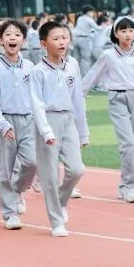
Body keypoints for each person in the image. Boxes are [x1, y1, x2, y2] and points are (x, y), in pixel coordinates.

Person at [80, 17, 134, 203]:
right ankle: (130, 186)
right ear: (115, 33)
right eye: (123, 30)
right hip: (117, 99)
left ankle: (124, 185)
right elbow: (92, 76)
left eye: (131, 30)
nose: (127, 34)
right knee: (128, 143)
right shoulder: (109, 55)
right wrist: (77, 97)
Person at [0, 20, 52, 231]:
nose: (12, 38)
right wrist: (2, 124)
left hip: (27, 121)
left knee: (31, 162)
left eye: (17, 35)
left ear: (23, 40)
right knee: (4, 170)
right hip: (4, 122)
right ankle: (9, 213)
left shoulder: (30, 67)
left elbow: (37, 97)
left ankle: (18, 190)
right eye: (8, 35)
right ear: (0, 39)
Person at [32, 20, 87, 237]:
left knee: (77, 169)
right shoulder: (38, 71)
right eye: (56, 39)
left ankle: (61, 201)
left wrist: (83, 131)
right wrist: (45, 130)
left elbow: (78, 99)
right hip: (48, 121)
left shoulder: (72, 65)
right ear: (44, 44)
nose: (61, 42)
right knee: (50, 175)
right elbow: (36, 103)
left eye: (64, 37)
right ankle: (56, 221)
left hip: (68, 120)